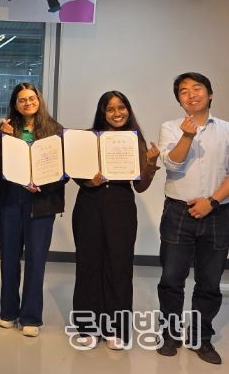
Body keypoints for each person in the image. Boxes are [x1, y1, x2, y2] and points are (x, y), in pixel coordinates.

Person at [70, 91, 159, 350]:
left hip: (121, 207)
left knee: (119, 267)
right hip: (89, 205)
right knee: (88, 265)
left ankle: (115, 329)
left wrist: (150, 163)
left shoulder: (134, 140)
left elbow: (140, 186)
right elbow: (75, 171)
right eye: (110, 109)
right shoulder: (88, 137)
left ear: (128, 110)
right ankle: (87, 327)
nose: (117, 113)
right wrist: (90, 181)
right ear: (102, 112)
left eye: (122, 107)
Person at [156, 72, 229, 365]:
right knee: (171, 279)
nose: (191, 94)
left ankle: (201, 337)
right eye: (183, 91)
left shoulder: (226, 130)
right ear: (179, 100)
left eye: (197, 88)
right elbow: (173, 164)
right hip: (178, 213)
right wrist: (187, 135)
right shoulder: (170, 127)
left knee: (209, 281)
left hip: (218, 212)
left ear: (209, 94)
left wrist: (212, 201)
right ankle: (170, 334)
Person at [0, 82, 66, 338]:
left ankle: (31, 317)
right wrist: (2, 138)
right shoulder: (7, 128)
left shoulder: (55, 130)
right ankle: (8, 312)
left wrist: (43, 185)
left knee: (36, 260)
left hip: (41, 202)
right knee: (9, 258)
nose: (27, 103)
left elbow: (64, 171)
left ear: (39, 100)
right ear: (15, 104)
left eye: (31, 98)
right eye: (22, 100)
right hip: (9, 200)